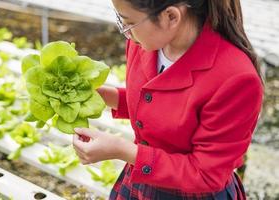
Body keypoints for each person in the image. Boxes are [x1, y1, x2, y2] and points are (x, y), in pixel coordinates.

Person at [72, 0, 264, 199]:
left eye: (128, 22)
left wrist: (122, 150)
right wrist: (104, 96)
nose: (126, 32)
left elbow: (206, 174)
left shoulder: (236, 79)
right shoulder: (145, 42)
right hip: (142, 180)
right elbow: (157, 103)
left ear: (171, 16)